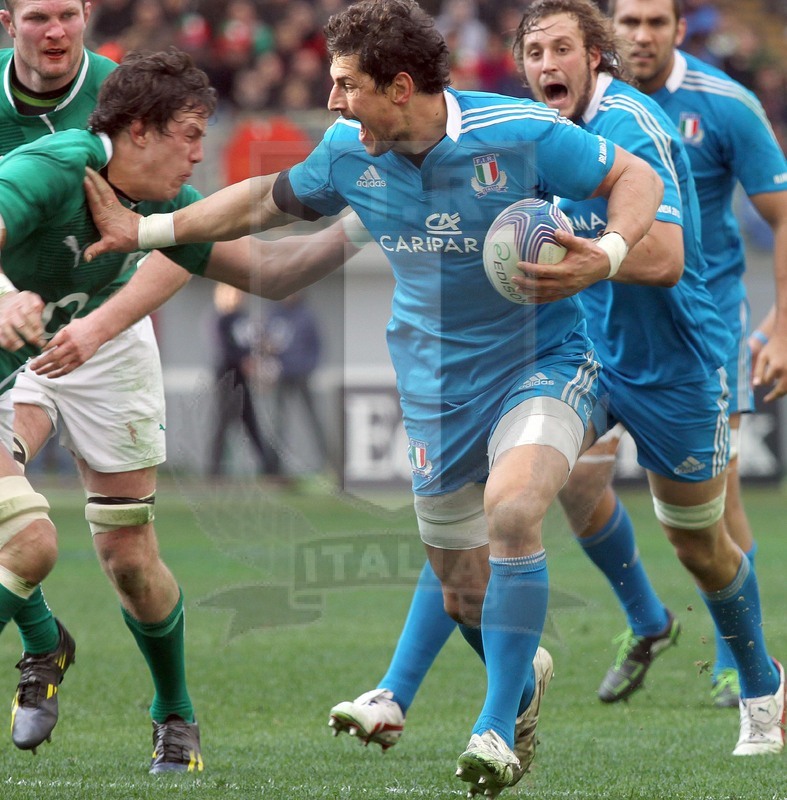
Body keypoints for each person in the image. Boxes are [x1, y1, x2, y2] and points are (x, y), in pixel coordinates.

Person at [79, 1, 665, 793]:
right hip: (433, 389)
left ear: (397, 87)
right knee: (461, 591)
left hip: (545, 361)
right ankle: (510, 690)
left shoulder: (517, 130)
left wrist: (608, 252)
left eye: (345, 85)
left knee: (515, 509)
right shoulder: (346, 154)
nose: (331, 102)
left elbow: (633, 174)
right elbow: (257, 202)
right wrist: (144, 230)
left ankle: (492, 729)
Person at [294, 0, 785, 770]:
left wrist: (602, 253)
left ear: (597, 58)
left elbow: (666, 260)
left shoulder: (630, 128)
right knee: (501, 499)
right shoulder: (520, 130)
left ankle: (760, 683)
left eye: (563, 48)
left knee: (700, 545)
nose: (546, 64)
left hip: (674, 358)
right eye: (533, 50)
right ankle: (409, 690)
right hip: (576, 350)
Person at [0, 43, 368, 771]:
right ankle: (42, 639)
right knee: (29, 540)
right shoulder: (52, 162)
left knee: (129, 559)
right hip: (16, 348)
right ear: (139, 130)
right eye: (193, 135)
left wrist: (370, 217)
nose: (203, 153)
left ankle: (174, 712)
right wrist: (8, 298)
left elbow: (276, 271)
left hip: (100, 344)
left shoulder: (165, 201)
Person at [608, 0, 787, 709]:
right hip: (603, 325)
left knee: (719, 497)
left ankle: (732, 660)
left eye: (655, 22)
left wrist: (779, 324)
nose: (641, 35)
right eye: (628, 22)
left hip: (701, 326)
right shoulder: (583, 107)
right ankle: (646, 620)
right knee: (574, 483)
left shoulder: (724, 106)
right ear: (608, 29)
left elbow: (780, 215)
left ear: (679, 30)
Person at [209, 282, 282, 480]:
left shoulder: (244, 319)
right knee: (223, 422)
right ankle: (214, 470)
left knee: (250, 422)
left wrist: (265, 351)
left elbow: (256, 342)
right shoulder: (221, 321)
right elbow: (225, 349)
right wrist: (243, 359)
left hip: (242, 378)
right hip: (227, 377)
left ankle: (269, 467)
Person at [261, 292, 330, 475]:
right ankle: (273, 469)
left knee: (313, 421)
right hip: (281, 375)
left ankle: (329, 465)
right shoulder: (273, 315)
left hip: (301, 375)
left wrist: (307, 367)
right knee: (277, 423)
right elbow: (264, 345)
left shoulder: (306, 316)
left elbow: (317, 346)